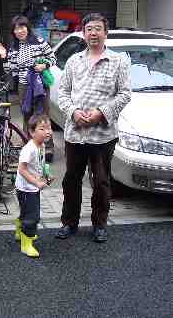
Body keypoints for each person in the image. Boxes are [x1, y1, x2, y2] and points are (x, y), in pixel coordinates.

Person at [56, 13, 131, 243]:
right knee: (71, 179)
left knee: (100, 181)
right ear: (84, 33)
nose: (93, 33)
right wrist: (73, 113)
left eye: (98, 29)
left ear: (105, 33)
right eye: (89, 29)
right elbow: (63, 93)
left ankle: (99, 224)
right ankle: (69, 222)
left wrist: (101, 113)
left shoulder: (118, 61)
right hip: (75, 133)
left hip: (103, 135)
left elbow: (125, 94)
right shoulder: (74, 60)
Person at [0, 15, 56, 159]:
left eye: (22, 27)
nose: (19, 31)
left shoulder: (39, 42)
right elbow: (9, 70)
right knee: (27, 115)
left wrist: (44, 65)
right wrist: (4, 57)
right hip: (24, 85)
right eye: (16, 28)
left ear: (27, 28)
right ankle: (29, 146)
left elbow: (53, 58)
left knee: (42, 115)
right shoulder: (14, 47)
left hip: (40, 84)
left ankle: (47, 148)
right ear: (13, 32)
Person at [15, 114, 53, 258]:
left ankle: (20, 231)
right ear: (32, 132)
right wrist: (36, 182)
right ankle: (26, 244)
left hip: (32, 187)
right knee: (33, 216)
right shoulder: (29, 149)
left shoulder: (41, 146)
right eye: (42, 128)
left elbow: (40, 163)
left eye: (49, 128)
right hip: (26, 188)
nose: (47, 131)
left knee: (26, 212)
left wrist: (46, 175)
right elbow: (22, 169)